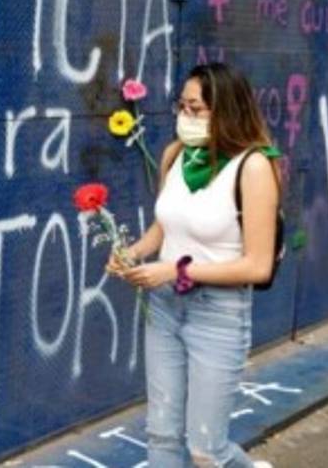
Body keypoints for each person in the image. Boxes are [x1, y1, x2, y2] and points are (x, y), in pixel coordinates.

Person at [109, 62, 281, 468]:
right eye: (181, 106)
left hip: (218, 314)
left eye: (196, 108)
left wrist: (176, 270)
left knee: (206, 449)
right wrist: (131, 253)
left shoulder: (253, 166)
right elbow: (164, 227)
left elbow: (257, 266)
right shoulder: (175, 156)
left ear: (227, 109)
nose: (185, 116)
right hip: (165, 307)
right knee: (162, 434)